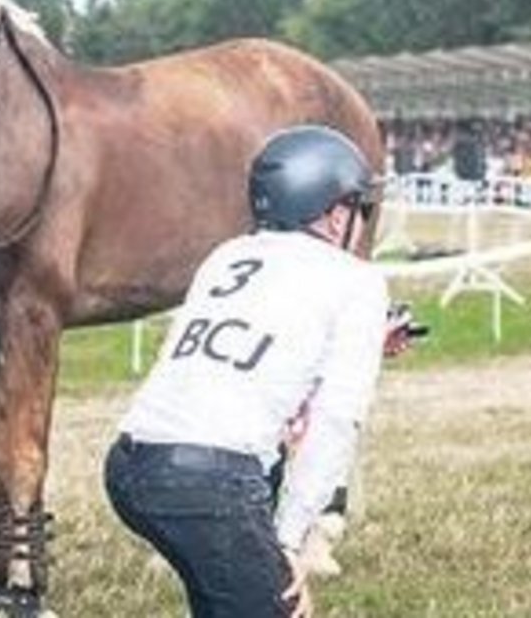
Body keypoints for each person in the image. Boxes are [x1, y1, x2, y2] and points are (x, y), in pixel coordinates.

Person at [104, 124, 399, 618]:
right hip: (208, 481)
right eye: (357, 207)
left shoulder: (229, 256)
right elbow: (335, 419)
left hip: (130, 466)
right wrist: (289, 540)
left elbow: (253, 358)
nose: (361, 221)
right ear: (331, 214)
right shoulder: (358, 281)